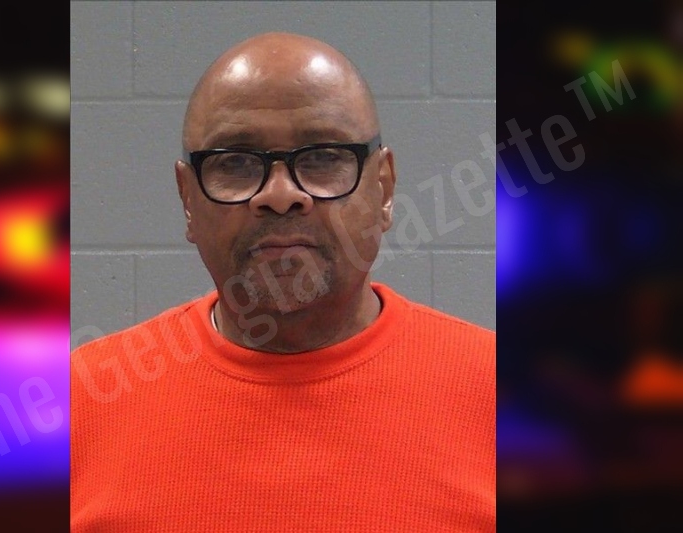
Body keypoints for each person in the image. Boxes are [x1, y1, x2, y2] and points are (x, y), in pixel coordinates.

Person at [71, 32, 495, 532]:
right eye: (235, 163)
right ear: (187, 199)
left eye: (323, 157)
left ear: (383, 188)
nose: (279, 194)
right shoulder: (79, 404)